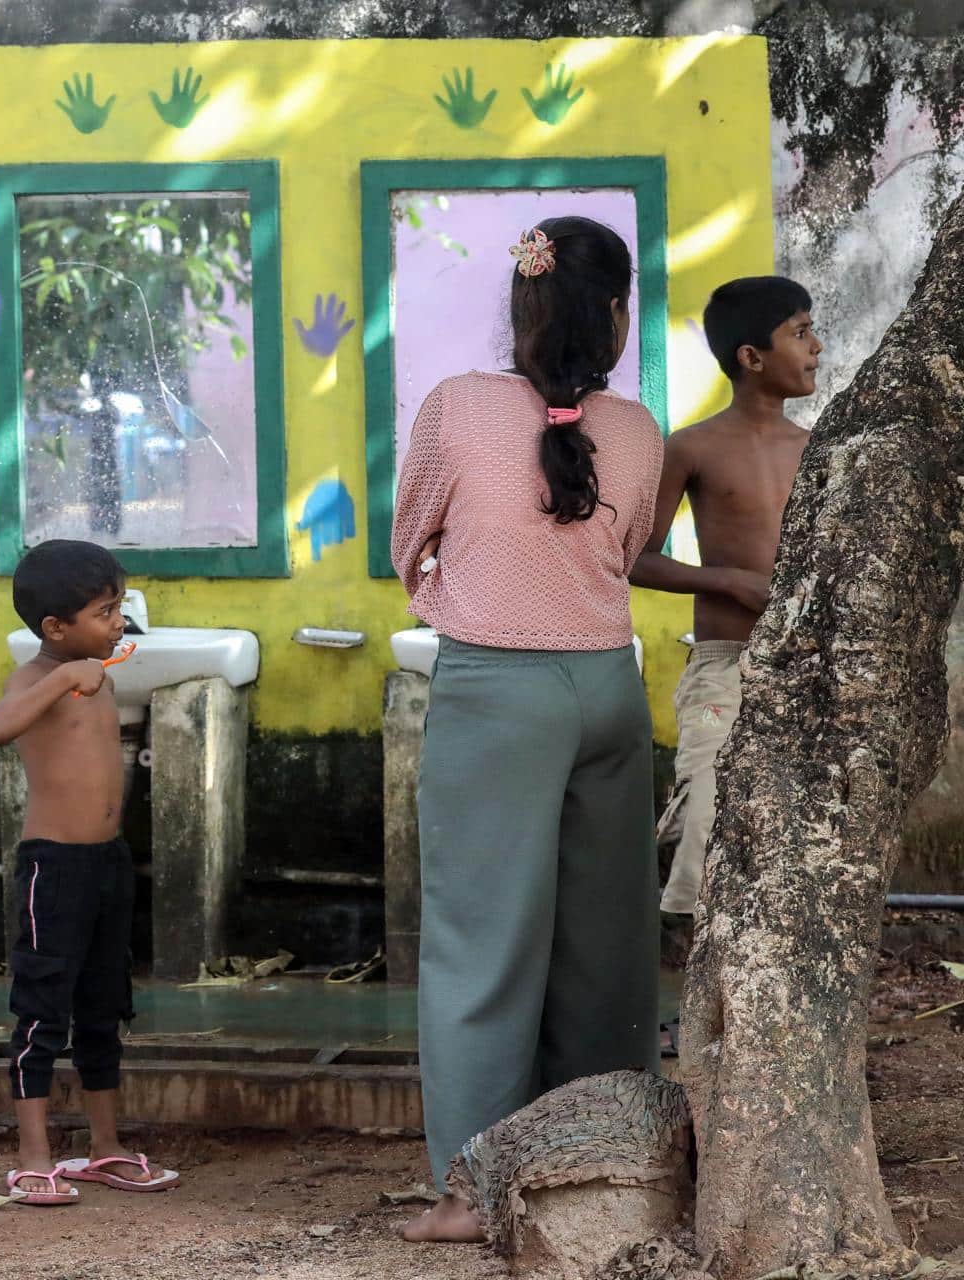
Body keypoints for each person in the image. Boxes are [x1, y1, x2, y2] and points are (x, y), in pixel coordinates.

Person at [390, 217, 665, 1242]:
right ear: (618, 314)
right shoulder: (638, 430)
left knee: (481, 944)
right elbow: (628, 547)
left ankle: (473, 1189)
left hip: (496, 690)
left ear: (522, 305)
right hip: (609, 684)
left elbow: (409, 541)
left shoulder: (457, 408)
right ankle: (608, 1168)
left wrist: (464, 591)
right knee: (608, 946)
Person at [0, 540, 178, 1205]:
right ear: (54, 629)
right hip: (54, 868)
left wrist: (84, 674)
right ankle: (34, 1156)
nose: (118, 621)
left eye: (118, 606)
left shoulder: (100, 673)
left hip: (107, 864)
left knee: (103, 1006)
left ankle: (105, 1147)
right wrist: (62, 679)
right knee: (42, 1010)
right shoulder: (37, 677)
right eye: (105, 611)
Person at [630, 278, 819, 914]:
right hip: (723, 663)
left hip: (805, 668)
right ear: (751, 356)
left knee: (794, 838)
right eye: (799, 332)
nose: (816, 346)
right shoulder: (691, 446)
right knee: (706, 820)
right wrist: (728, 581)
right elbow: (635, 559)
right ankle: (700, 983)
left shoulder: (817, 450)